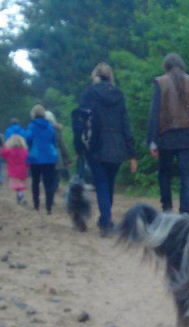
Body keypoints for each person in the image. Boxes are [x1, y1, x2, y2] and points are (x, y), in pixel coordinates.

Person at [146, 53, 189, 214]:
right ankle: (185, 214)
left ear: (165, 66)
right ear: (182, 65)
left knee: (164, 175)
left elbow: (154, 113)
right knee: (186, 176)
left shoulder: (160, 83)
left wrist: (152, 140)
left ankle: (167, 210)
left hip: (166, 136)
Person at [78, 62, 138, 235]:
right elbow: (125, 124)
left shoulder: (89, 93)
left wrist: (79, 145)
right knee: (109, 184)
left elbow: (80, 119)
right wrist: (132, 153)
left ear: (95, 75)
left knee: (102, 183)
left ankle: (105, 221)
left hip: (96, 144)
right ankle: (106, 219)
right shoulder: (119, 95)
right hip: (118, 145)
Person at [24, 104, 59, 214]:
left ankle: (36, 205)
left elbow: (28, 139)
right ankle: (48, 207)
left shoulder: (31, 126)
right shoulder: (50, 126)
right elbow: (54, 140)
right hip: (49, 157)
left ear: (33, 114)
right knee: (48, 183)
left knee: (35, 182)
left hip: (35, 157)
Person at [45, 110, 73, 186]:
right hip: (56, 154)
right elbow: (62, 145)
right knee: (55, 172)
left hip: (44, 153)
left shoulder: (40, 129)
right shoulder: (56, 129)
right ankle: (55, 185)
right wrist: (68, 158)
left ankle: (49, 185)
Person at [0, 134, 29, 205]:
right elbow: (28, 160)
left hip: (13, 172)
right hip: (23, 171)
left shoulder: (9, 151)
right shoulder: (25, 151)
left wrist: (4, 146)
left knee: (17, 186)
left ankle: (20, 197)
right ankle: (20, 196)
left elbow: (2, 153)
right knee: (21, 186)